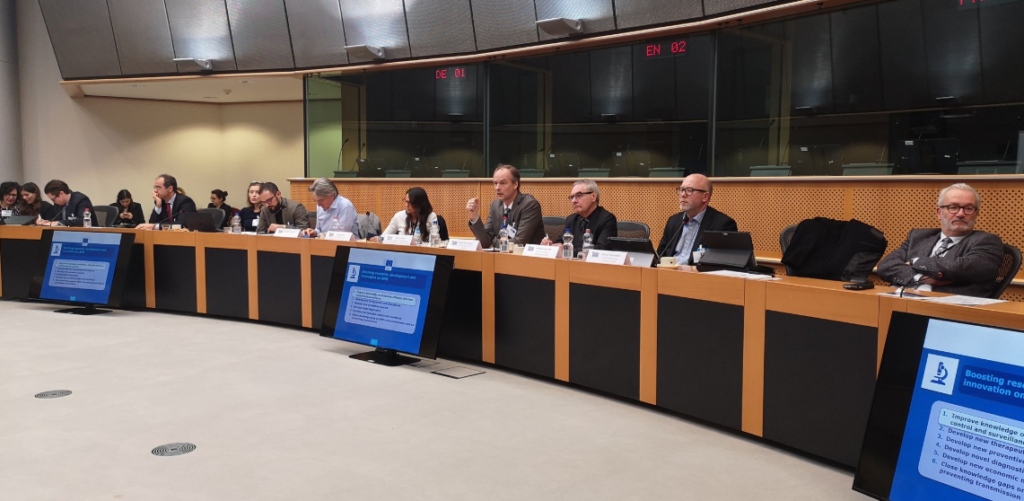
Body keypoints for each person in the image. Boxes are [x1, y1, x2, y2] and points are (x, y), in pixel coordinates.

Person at [877, 183, 1004, 297]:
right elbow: (886, 266)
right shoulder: (918, 236)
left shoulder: (987, 241)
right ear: (939, 212)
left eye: (969, 208)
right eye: (953, 207)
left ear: (976, 214)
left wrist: (915, 261)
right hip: (898, 299)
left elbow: (959, 268)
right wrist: (920, 278)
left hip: (948, 306)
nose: (961, 214)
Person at [655, 173, 738, 263]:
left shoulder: (722, 225)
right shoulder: (674, 221)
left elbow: (721, 263)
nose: (682, 194)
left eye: (689, 190)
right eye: (682, 190)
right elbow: (660, 256)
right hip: (669, 270)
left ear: (705, 197)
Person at [466, 164, 545, 248]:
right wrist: (474, 216)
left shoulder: (529, 205)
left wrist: (492, 243)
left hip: (525, 255)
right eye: (495, 183)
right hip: (501, 254)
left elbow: (519, 242)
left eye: (503, 183)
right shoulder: (495, 205)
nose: (497, 188)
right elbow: (485, 241)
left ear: (515, 184)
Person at [541, 179, 617, 256]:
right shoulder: (571, 219)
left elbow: (602, 250)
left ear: (593, 196)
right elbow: (561, 242)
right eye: (572, 197)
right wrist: (549, 245)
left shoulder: (607, 219)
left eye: (579, 196)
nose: (574, 201)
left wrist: (568, 250)